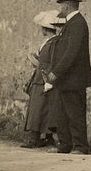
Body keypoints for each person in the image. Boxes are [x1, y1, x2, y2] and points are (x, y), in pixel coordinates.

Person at [46, 0, 91, 154]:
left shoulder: (78, 23)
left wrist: (56, 72)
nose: (61, 8)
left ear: (67, 6)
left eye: (61, 5)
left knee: (75, 113)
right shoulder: (73, 23)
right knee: (62, 113)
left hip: (73, 79)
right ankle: (65, 144)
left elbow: (71, 52)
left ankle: (81, 146)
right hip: (67, 79)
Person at [21, 10, 63, 148]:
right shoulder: (48, 42)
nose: (41, 30)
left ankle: (36, 138)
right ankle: (44, 137)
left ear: (46, 29)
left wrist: (35, 61)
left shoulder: (54, 43)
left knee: (39, 109)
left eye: (42, 28)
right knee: (41, 108)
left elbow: (49, 63)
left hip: (44, 79)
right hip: (40, 78)